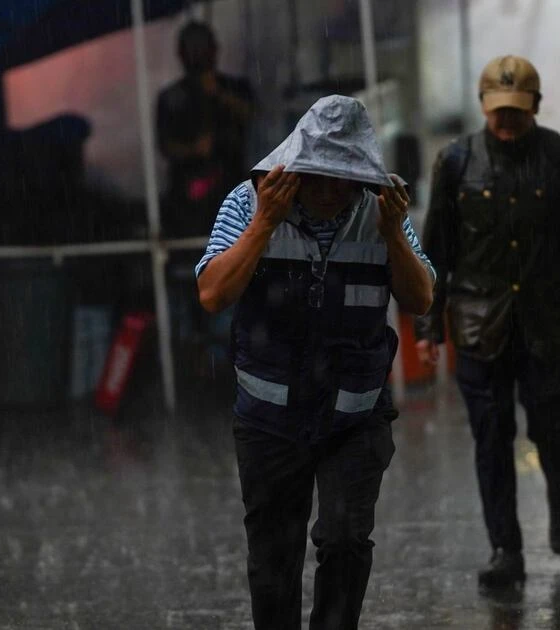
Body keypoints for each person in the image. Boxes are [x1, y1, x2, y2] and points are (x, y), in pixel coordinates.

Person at [196, 95, 434, 629]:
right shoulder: (248, 202)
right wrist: (264, 223)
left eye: (343, 178)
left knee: (346, 539)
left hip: (356, 414)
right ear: (296, 164)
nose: (329, 190)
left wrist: (394, 235)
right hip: (269, 417)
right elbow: (212, 294)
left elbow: (421, 298)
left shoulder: (383, 211)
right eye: (317, 175)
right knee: (274, 561)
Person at [414, 56, 560, 590]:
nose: (507, 121)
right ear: (483, 106)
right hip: (478, 325)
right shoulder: (456, 162)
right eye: (498, 111)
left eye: (517, 110)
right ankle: (504, 549)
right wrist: (428, 326)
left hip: (548, 324)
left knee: (553, 428)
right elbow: (435, 250)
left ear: (535, 105)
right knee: (491, 439)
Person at [157, 20, 255, 238]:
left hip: (230, 186)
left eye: (201, 47)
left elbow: (250, 114)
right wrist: (194, 149)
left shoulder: (234, 88)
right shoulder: (171, 97)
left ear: (214, 49)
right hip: (188, 198)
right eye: (192, 48)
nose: (197, 54)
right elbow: (165, 145)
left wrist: (217, 93)